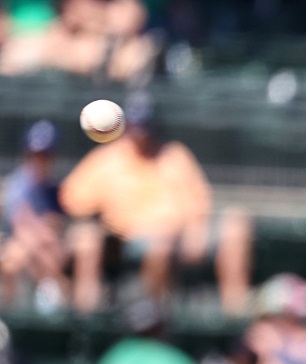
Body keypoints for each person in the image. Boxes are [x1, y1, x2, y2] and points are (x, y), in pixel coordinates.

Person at [59, 94, 253, 313]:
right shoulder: (109, 159)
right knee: (158, 245)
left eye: (145, 125)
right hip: (133, 240)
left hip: (178, 236)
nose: (140, 132)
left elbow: (198, 200)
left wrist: (195, 228)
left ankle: (235, 310)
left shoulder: (173, 155)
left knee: (236, 222)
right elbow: (72, 199)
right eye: (136, 125)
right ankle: (153, 317)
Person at [1, 120, 69, 311]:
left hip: (49, 248)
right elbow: (22, 226)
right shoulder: (18, 183)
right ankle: (10, 317)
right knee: (16, 255)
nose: (40, 159)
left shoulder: (53, 187)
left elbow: (58, 225)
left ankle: (60, 304)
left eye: (45, 155)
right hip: (23, 244)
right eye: (36, 154)